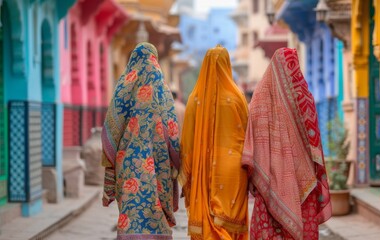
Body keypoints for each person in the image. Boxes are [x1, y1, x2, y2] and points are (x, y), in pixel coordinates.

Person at [242, 48, 332, 240]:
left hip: (270, 183)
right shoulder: (305, 97)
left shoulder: (259, 99)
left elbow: (252, 144)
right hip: (304, 181)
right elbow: (315, 141)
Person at [101, 43, 181, 240]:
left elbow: (112, 127)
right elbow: (173, 132)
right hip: (159, 163)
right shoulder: (163, 89)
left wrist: (110, 162)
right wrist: (178, 165)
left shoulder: (124, 84)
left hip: (127, 163)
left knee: (131, 210)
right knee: (156, 215)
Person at [179, 45, 249, 240]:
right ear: (227, 64)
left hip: (203, 167)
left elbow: (188, 142)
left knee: (208, 221)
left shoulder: (194, 99)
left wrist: (189, 174)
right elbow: (247, 133)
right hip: (233, 169)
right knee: (231, 223)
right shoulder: (237, 97)